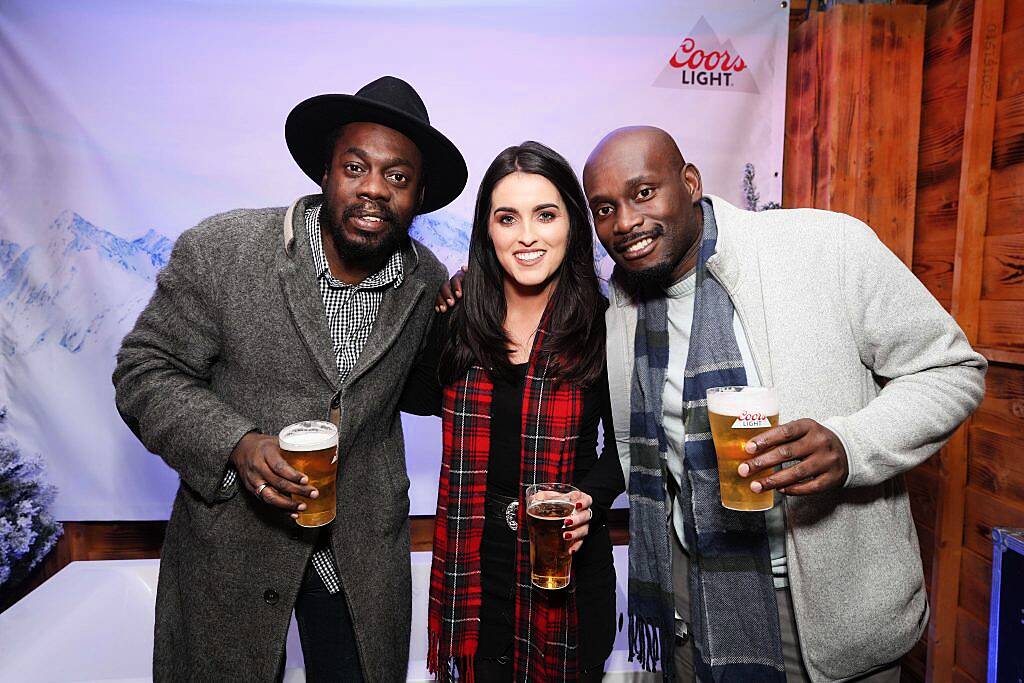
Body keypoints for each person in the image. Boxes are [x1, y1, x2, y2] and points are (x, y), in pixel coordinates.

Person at [581, 126, 987, 682]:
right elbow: (636, 446)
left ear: (690, 183)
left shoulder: (824, 247)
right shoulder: (625, 308)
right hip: (692, 603)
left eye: (644, 193)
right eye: (604, 209)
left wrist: (852, 444)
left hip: (827, 614)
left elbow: (950, 368)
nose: (625, 222)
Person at [112, 76, 467, 682]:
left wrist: (451, 328)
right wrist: (236, 445)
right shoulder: (224, 250)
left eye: (398, 176)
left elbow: (417, 397)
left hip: (356, 560)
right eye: (356, 167)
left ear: (420, 194)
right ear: (325, 173)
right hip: (232, 548)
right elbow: (144, 370)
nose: (374, 189)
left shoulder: (427, 281)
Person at [404, 141, 625, 682]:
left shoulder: (605, 322)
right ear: (488, 230)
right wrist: (441, 314)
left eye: (545, 215)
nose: (527, 236)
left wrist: (586, 499)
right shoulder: (459, 315)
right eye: (508, 218)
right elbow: (415, 397)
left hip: (565, 566)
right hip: (474, 564)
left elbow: (627, 449)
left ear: (572, 223)